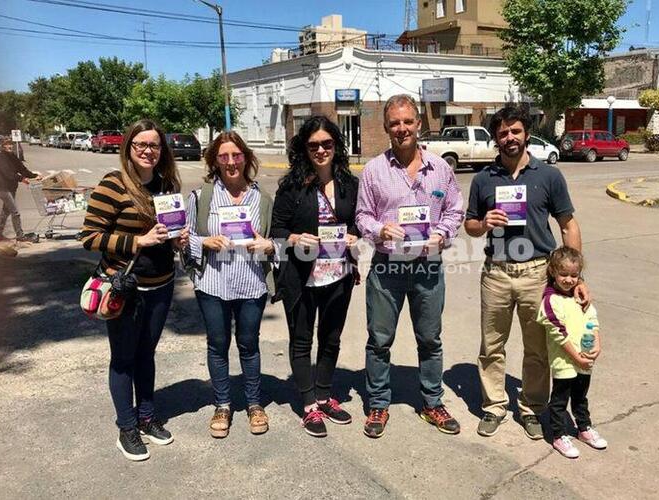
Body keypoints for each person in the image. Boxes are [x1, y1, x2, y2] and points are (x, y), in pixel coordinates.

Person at [464, 106, 590, 440]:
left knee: (537, 348)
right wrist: (482, 223)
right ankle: (493, 406)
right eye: (503, 133)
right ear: (496, 138)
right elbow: (470, 225)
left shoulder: (549, 176)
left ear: (526, 134)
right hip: (497, 274)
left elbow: (568, 225)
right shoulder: (482, 179)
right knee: (492, 345)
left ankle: (533, 408)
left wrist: (577, 279)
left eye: (515, 131)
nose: (509, 138)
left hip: (537, 273)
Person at [356, 94, 464, 438]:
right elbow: (362, 215)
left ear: (418, 124)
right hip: (387, 267)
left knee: (430, 339)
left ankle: (432, 402)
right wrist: (378, 229)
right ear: (386, 127)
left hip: (427, 265)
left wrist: (443, 234)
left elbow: (455, 210)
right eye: (394, 123)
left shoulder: (441, 168)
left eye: (407, 122)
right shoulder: (374, 170)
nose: (401, 129)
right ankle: (377, 403)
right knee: (379, 340)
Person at [82, 119, 188, 461]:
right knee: (124, 358)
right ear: (128, 147)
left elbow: (169, 233)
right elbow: (89, 237)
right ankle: (126, 427)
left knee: (147, 354)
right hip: (125, 287)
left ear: (162, 150)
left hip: (161, 284)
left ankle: (146, 416)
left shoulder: (165, 185)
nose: (148, 151)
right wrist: (137, 241)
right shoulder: (114, 185)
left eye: (154, 145)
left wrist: (178, 239)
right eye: (141, 144)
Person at [271, 116, 360, 438]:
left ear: (336, 146)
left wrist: (354, 236)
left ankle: (324, 396)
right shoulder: (292, 186)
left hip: (339, 275)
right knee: (302, 340)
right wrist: (295, 239)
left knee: (331, 339)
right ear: (304, 149)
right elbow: (276, 232)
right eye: (313, 145)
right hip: (301, 278)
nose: (321, 150)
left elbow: (357, 222)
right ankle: (308, 405)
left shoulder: (350, 184)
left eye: (327, 144)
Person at [185, 131, 275, 439]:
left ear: (246, 158)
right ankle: (222, 403)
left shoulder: (261, 199)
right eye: (223, 156)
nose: (231, 162)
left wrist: (268, 245)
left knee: (249, 345)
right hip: (212, 284)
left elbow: (275, 240)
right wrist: (203, 241)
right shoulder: (201, 197)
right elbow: (183, 241)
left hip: (251, 285)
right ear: (214, 161)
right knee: (217, 344)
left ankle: (253, 403)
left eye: (236, 155)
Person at [537, 246, 606, 458]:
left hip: (585, 359)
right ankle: (558, 435)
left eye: (574, 275)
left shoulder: (581, 297)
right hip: (565, 361)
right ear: (552, 272)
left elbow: (592, 321)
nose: (568, 279)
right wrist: (576, 357)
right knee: (559, 400)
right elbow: (558, 332)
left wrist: (597, 345)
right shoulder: (550, 301)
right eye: (563, 274)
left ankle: (584, 428)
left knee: (580, 397)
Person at [0, 139, 39, 242]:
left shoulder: (13, 156)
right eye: (7, 144)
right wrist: (22, 179)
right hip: (3, 189)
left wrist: (34, 176)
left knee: (5, 212)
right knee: (15, 212)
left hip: (12, 188)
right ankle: (20, 235)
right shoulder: (0, 157)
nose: (10, 146)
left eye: (11, 144)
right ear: (3, 146)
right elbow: (7, 173)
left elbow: (22, 169)